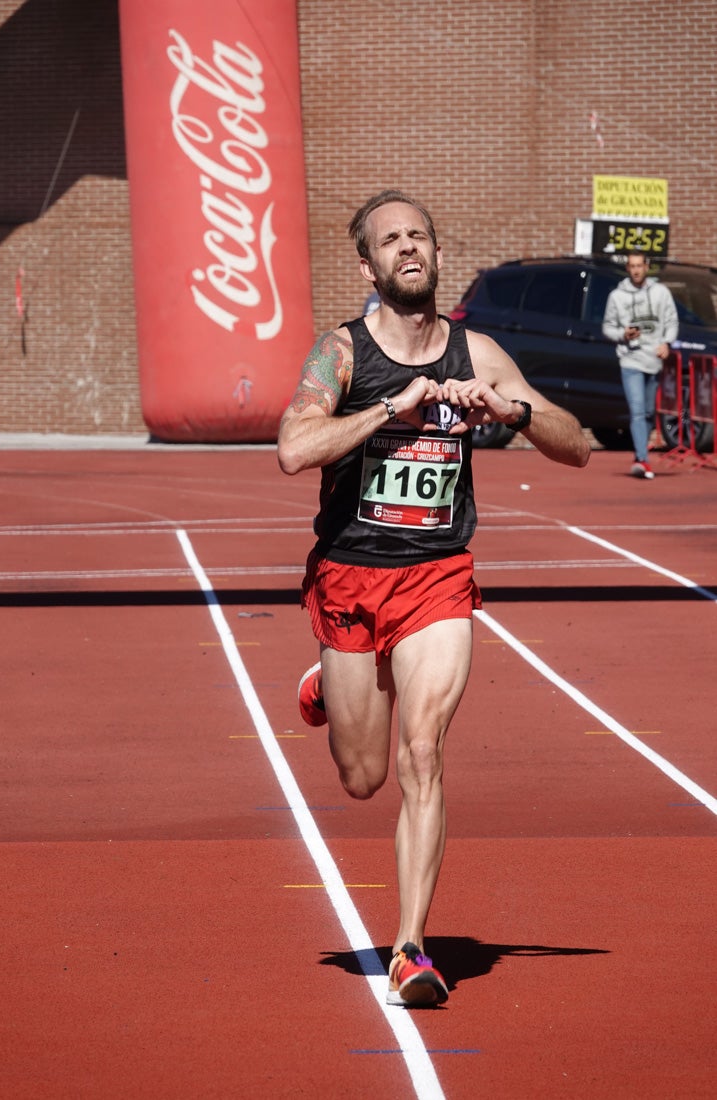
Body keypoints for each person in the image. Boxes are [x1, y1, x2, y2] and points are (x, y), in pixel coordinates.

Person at [277, 189, 590, 1007]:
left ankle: (410, 948)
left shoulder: (474, 351)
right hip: (349, 574)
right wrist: (390, 406)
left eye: (419, 236)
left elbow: (578, 445)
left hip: (436, 578)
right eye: (391, 240)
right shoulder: (341, 354)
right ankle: (331, 683)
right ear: (368, 266)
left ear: (436, 255)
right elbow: (292, 447)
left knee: (423, 753)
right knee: (360, 776)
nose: (408, 248)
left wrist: (512, 410)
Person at [602, 250, 678, 479]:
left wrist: (666, 342)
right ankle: (642, 458)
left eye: (639, 265)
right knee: (636, 411)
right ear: (628, 269)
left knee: (648, 412)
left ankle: (641, 455)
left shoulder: (661, 293)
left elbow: (672, 321)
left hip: (653, 360)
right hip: (630, 359)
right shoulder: (617, 296)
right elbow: (607, 328)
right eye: (631, 266)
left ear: (647, 267)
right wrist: (622, 334)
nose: (635, 270)